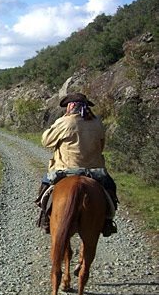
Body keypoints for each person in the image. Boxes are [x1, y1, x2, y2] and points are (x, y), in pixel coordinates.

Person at [36, 93, 118, 236]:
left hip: (65, 170)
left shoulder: (65, 122)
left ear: (71, 105)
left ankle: (44, 217)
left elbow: (46, 141)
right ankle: (107, 222)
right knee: (110, 187)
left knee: (44, 185)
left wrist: (59, 122)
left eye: (68, 105)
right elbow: (101, 146)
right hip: (95, 171)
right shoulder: (97, 122)